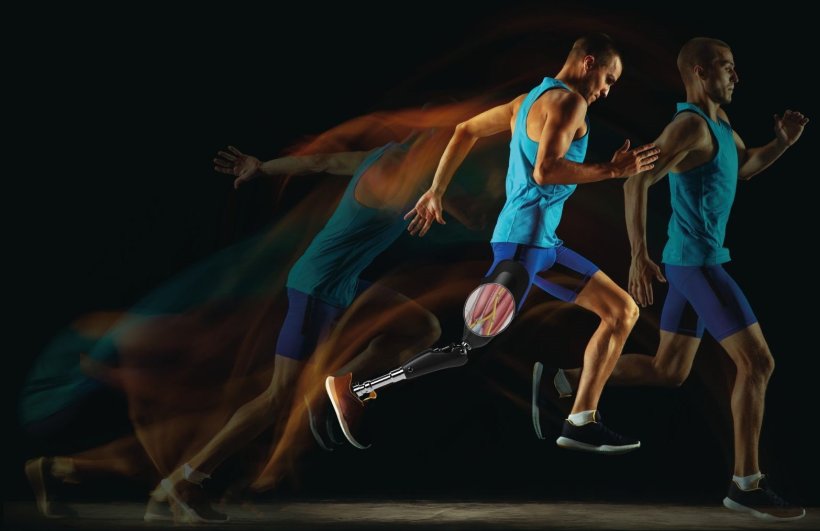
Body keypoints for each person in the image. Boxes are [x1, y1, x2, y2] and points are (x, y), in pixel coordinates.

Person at [327, 34, 659, 455]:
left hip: (541, 245)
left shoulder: (527, 101)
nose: (607, 91)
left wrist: (436, 190)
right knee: (466, 347)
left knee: (621, 311)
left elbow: (464, 130)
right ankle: (357, 387)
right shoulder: (569, 102)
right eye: (608, 79)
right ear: (588, 63)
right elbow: (546, 171)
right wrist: (613, 171)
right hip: (523, 246)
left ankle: (581, 420)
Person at [157, 129, 491, 522]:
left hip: (342, 284)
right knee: (277, 398)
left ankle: (336, 383)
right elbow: (469, 215)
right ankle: (187, 480)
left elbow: (322, 162)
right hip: (318, 288)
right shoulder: (400, 177)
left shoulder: (384, 154)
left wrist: (261, 167)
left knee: (421, 328)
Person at [538, 37, 807, 520]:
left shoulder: (721, 125)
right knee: (759, 364)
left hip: (692, 263)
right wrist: (638, 256)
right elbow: (637, 178)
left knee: (670, 371)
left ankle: (562, 381)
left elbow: (744, 169)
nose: (735, 77)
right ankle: (747, 484)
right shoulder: (689, 125)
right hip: (696, 264)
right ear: (700, 72)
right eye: (727, 67)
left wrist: (782, 144)